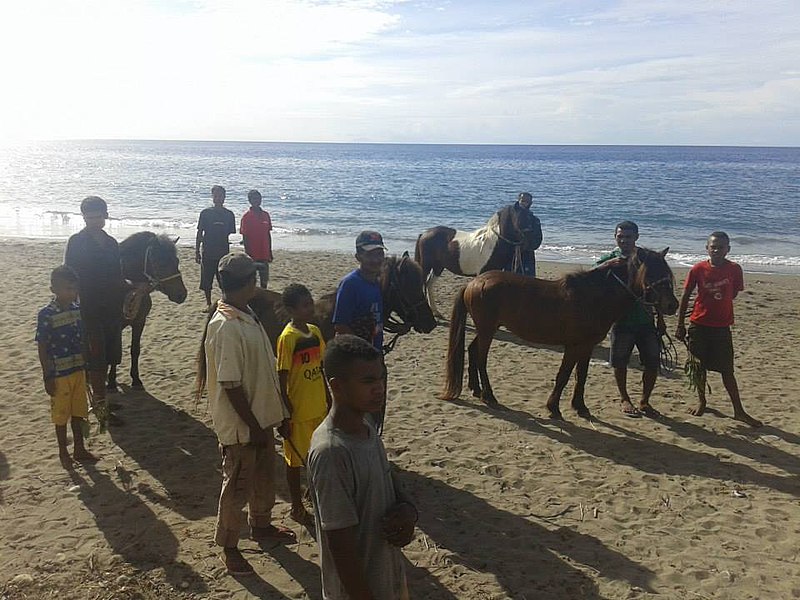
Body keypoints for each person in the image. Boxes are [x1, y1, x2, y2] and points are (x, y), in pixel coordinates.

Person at [199, 251, 295, 576]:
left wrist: (276, 412)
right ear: (249, 283)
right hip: (242, 425)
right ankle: (229, 546)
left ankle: (262, 525)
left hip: (262, 416)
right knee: (237, 483)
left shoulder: (246, 313)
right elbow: (230, 384)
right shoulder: (226, 326)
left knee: (265, 476)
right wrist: (252, 425)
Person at [308, 334, 417, 600]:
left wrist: (408, 513)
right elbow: (340, 544)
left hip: (387, 580)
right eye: (368, 381)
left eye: (380, 378)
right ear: (337, 387)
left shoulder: (367, 428)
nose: (379, 388)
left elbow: (390, 486)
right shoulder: (332, 451)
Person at [675, 232, 762, 427]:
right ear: (707, 248)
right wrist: (680, 324)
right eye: (713, 247)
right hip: (698, 325)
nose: (716, 250)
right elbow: (686, 296)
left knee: (727, 370)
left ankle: (738, 410)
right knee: (698, 368)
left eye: (721, 247)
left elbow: (734, 293)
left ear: (728, 249)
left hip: (722, 328)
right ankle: (702, 401)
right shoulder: (698, 269)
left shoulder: (734, 269)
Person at [595, 221, 665, 417]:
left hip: (645, 319)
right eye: (620, 236)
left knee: (652, 362)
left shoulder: (647, 259)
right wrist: (606, 265)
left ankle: (644, 401)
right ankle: (624, 398)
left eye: (628, 236)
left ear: (636, 237)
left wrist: (660, 318)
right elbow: (590, 274)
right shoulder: (610, 259)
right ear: (615, 237)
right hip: (621, 320)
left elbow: (659, 289)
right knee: (620, 362)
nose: (624, 240)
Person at [64, 196, 125, 421]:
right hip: (87, 308)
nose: (93, 221)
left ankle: (101, 399)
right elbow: (69, 276)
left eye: (97, 217)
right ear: (83, 217)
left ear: (105, 216)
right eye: (89, 218)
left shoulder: (111, 243)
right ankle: (100, 408)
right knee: (95, 357)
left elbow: (118, 276)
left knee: (110, 355)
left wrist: (134, 287)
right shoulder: (76, 242)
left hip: (111, 307)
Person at [276, 283, 330, 525]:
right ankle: (296, 506)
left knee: (317, 454)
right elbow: (282, 378)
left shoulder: (315, 332)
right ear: (291, 310)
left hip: (318, 405)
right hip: (298, 410)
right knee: (294, 461)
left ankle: (314, 495)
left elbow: (321, 367)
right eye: (305, 305)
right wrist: (286, 412)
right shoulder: (288, 338)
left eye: (311, 303)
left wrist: (328, 396)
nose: (311, 308)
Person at [36, 266, 98, 470]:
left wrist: (86, 364)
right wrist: (47, 376)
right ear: (54, 289)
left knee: (79, 412)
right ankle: (63, 452)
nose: (72, 293)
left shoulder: (76, 310)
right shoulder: (46, 314)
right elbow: (42, 346)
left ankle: (79, 448)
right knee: (61, 415)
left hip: (77, 369)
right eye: (67, 288)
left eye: (74, 288)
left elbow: (82, 338)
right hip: (59, 373)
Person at [332, 230, 387, 431]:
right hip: (359, 363)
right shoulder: (350, 284)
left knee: (376, 411)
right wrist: (362, 353)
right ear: (358, 256)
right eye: (370, 254)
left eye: (379, 253)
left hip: (375, 356)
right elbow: (340, 325)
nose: (376, 259)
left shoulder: (377, 281)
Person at [196, 185, 236, 309]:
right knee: (206, 280)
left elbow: (230, 232)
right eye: (216, 195)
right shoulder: (205, 213)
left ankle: (225, 302)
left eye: (221, 196)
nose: (218, 198)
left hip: (223, 252)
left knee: (224, 280)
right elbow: (199, 233)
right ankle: (208, 304)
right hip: (208, 251)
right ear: (212, 197)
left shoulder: (229, 214)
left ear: (224, 197)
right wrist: (196, 251)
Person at [498, 192, 543, 277]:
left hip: (527, 253)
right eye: (522, 200)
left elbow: (538, 238)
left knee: (528, 278)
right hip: (510, 251)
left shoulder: (534, 220)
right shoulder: (507, 214)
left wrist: (527, 245)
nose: (524, 203)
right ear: (518, 200)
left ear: (530, 203)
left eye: (527, 201)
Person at [240, 189, 273, 289]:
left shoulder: (266, 215)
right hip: (252, 254)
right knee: (251, 281)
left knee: (264, 280)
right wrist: (248, 254)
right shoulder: (246, 217)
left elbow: (268, 234)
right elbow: (245, 237)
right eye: (254, 199)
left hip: (264, 253)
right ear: (250, 200)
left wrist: (270, 251)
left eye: (259, 198)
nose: (257, 201)